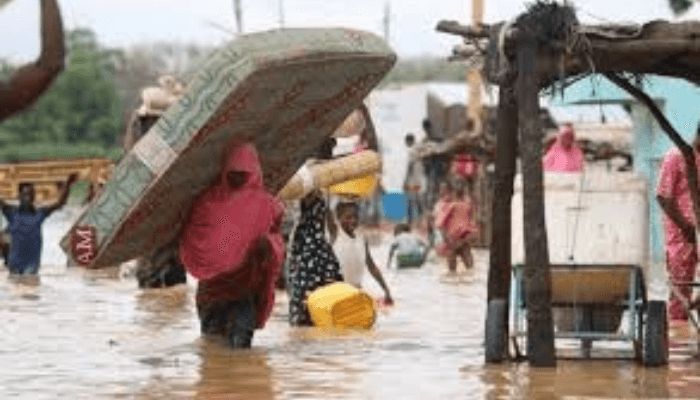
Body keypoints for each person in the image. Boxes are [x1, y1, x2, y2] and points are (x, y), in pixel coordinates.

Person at [179, 143, 285, 348]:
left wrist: (264, 244)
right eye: (235, 172)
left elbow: (275, 241)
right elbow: (194, 237)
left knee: (226, 357)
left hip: (237, 294)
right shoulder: (209, 202)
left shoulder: (264, 205)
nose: (238, 177)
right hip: (216, 295)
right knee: (219, 355)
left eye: (243, 173)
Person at [656, 124, 700, 323]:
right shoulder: (676, 156)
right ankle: (677, 338)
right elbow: (663, 197)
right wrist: (686, 227)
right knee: (680, 291)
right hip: (681, 237)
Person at [0, 174, 78, 275]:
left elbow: (60, 204)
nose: (28, 198)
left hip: (32, 265)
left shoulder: (40, 214)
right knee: (16, 287)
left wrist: (68, 185)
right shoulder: (11, 212)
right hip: (14, 265)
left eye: (31, 195)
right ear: (19, 196)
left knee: (30, 286)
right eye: (25, 195)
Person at [288, 191, 344, 326]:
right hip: (301, 252)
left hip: (318, 254)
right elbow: (294, 232)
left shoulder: (323, 205)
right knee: (300, 292)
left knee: (323, 289)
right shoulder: (297, 204)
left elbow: (333, 229)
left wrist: (328, 246)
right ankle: (303, 322)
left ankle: (320, 320)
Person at [330, 201, 393, 304]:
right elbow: (327, 212)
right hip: (337, 294)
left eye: (355, 217)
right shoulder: (335, 234)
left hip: (356, 292)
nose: (353, 220)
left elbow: (372, 268)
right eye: (348, 217)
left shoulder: (362, 239)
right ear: (338, 218)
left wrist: (386, 290)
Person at [435, 184, 475, 272]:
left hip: (452, 238)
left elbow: (440, 224)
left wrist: (446, 239)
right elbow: (471, 223)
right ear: (463, 195)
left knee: (451, 271)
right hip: (464, 237)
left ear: (453, 194)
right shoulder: (467, 206)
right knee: (470, 267)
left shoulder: (450, 206)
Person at [404, 133, 426, 227]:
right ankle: (420, 219)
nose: (406, 144)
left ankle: (410, 221)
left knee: (410, 201)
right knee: (417, 200)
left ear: (409, 141)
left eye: (406, 142)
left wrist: (405, 180)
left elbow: (410, 166)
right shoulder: (420, 149)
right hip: (420, 179)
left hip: (412, 181)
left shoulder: (412, 151)